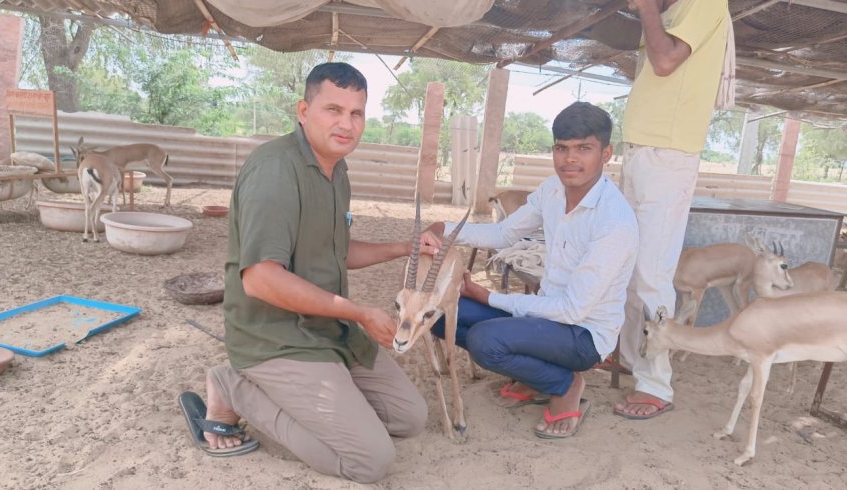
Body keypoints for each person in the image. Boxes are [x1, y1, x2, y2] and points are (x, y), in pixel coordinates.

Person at [178, 62, 436, 484]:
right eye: (333, 109)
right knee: (368, 461)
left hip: (327, 331)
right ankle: (231, 387)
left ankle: (326, 399)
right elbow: (260, 278)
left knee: (409, 418)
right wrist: (359, 312)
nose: (346, 124)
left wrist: (404, 247)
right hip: (277, 336)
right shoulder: (276, 170)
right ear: (303, 109)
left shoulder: (337, 171)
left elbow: (334, 252)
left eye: (356, 113)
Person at [422, 102, 639, 438]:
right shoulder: (553, 190)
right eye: (562, 148)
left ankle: (565, 385)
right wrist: (444, 228)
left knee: (485, 341)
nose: (570, 159)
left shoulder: (615, 221)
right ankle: (535, 374)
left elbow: (572, 309)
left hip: (583, 335)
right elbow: (504, 233)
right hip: (545, 317)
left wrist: (489, 296)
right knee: (435, 315)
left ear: (606, 153)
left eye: (584, 149)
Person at [614, 0, 732, 419]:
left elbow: (664, 62)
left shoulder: (706, 3)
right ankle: (632, 358)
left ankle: (656, 384)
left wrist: (647, 10)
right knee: (628, 266)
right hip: (646, 151)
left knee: (652, 273)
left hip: (668, 155)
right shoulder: (675, 11)